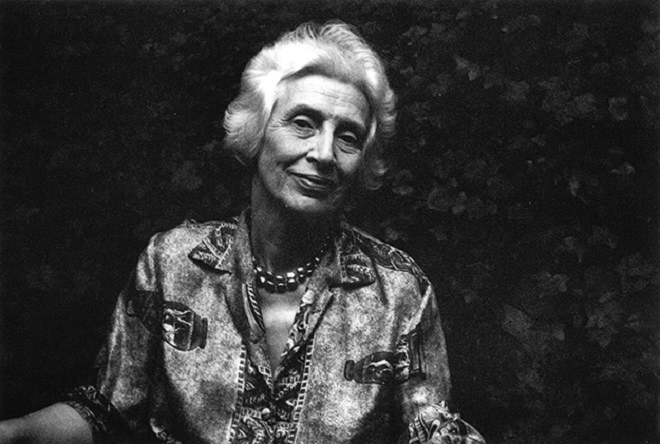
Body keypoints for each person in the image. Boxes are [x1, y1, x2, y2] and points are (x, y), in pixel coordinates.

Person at [0, 21, 484, 444]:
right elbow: (105, 412)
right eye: (303, 123)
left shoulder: (398, 291)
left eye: (348, 137)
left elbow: (434, 432)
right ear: (257, 131)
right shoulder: (172, 263)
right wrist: (14, 432)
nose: (324, 153)